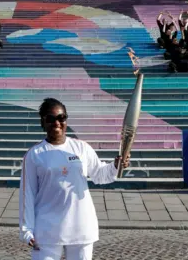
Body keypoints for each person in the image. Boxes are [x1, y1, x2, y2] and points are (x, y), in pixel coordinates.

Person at [19, 98, 130, 260]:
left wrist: (115, 165)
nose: (57, 122)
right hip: (47, 230)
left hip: (81, 227)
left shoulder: (81, 148)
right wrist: (26, 230)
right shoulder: (34, 155)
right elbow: (26, 194)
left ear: (66, 119)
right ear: (42, 122)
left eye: (61, 118)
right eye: (50, 118)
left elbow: (100, 174)